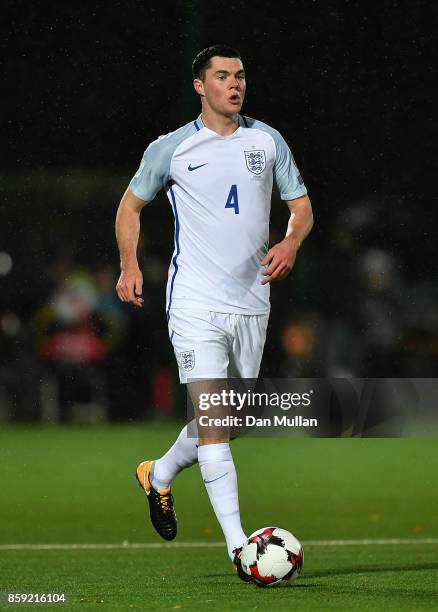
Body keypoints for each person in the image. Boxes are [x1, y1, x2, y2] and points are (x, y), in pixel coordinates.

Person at [115, 44, 313, 579]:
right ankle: (238, 547)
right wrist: (129, 263)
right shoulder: (173, 148)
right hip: (195, 302)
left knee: (228, 420)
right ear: (200, 86)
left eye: (240, 76)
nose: (235, 84)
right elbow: (131, 205)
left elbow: (300, 206)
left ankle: (158, 474)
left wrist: (291, 242)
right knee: (213, 418)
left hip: (253, 301)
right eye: (222, 76)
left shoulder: (267, 140)